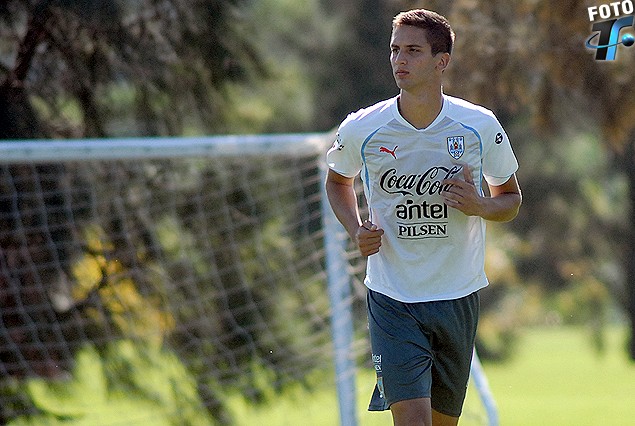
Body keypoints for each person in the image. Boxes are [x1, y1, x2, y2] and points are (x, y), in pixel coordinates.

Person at [325, 8, 521, 426]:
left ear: (441, 61)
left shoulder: (478, 125)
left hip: (457, 297)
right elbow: (337, 182)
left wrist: (479, 205)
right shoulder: (364, 127)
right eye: (395, 50)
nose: (400, 60)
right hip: (392, 298)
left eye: (413, 51)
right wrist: (356, 227)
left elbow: (511, 199)